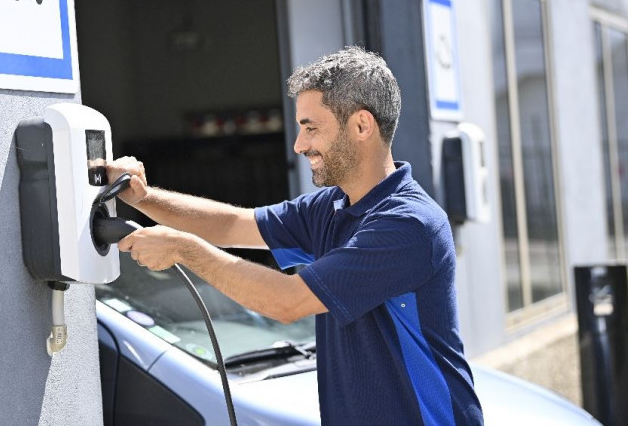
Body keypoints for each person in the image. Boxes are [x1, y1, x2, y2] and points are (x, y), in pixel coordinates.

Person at [107, 46, 483, 425]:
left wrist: (183, 250)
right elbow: (232, 224)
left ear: (361, 126)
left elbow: (287, 302)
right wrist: (143, 197)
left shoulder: (409, 224)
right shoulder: (330, 207)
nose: (299, 145)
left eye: (311, 128)